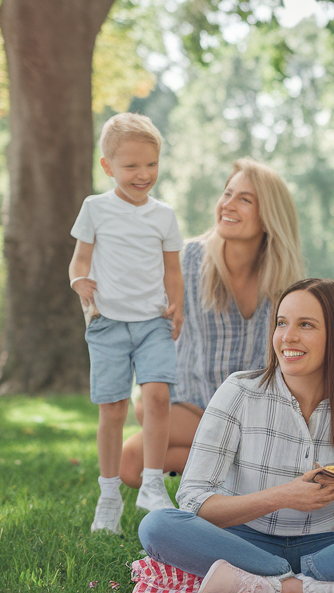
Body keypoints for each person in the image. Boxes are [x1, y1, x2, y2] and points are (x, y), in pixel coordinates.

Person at [137, 278, 334, 593]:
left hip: (325, 546)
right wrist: (283, 496)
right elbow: (193, 501)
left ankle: (269, 585)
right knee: (157, 525)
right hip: (244, 543)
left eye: (306, 325)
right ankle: (306, 587)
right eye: (281, 323)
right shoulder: (240, 391)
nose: (288, 337)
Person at [119, 158, 305, 491]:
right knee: (130, 463)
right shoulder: (188, 260)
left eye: (244, 199)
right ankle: (238, 466)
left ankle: (230, 466)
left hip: (254, 416)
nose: (227, 205)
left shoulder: (287, 282)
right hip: (191, 403)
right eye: (227, 194)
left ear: (269, 216)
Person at [68, 112, 184, 533]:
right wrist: (79, 281)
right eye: (131, 166)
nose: (142, 174)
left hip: (153, 321)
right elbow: (79, 261)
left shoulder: (163, 216)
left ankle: (153, 485)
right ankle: (109, 495)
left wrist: (178, 306)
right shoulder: (95, 209)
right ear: (108, 167)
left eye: (150, 164)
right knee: (113, 408)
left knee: (157, 396)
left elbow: (173, 270)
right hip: (108, 324)